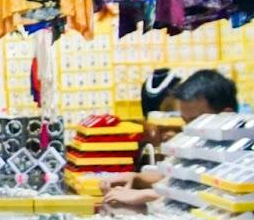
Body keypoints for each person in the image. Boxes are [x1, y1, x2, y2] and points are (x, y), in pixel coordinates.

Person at [101, 69, 238, 211]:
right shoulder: (196, 141)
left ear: (226, 115)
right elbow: (173, 176)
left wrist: (148, 194)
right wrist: (136, 178)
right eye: (185, 121)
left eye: (195, 121)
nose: (188, 129)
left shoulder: (241, 152)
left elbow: (213, 197)